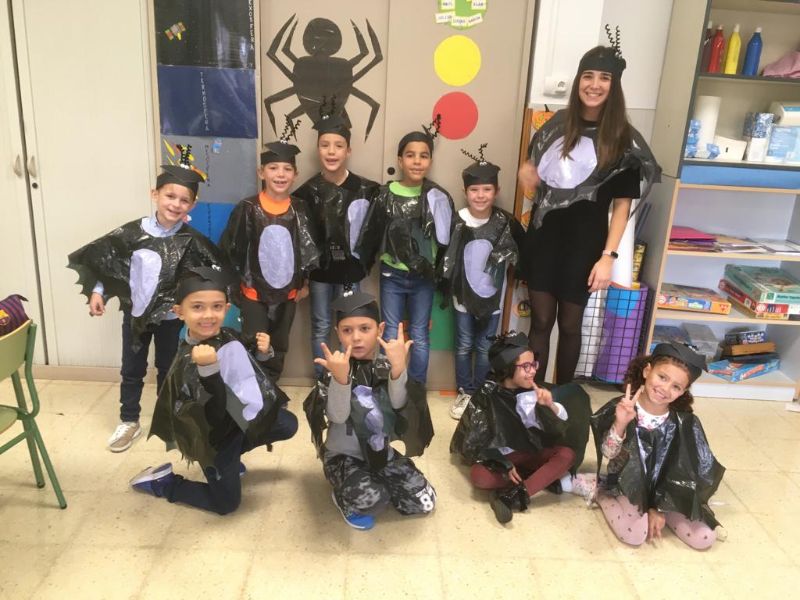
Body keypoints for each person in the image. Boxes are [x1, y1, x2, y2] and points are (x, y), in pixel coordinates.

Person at [517, 40, 660, 385]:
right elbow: (537, 182)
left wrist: (608, 257)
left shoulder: (623, 140)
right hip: (544, 238)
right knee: (540, 322)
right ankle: (532, 394)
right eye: (588, 76)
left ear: (614, 85)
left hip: (585, 246)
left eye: (604, 78)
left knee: (570, 325)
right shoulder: (556, 125)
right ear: (579, 80)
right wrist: (527, 175)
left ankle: (562, 396)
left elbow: (622, 206)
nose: (594, 85)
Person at [67, 148, 225, 452]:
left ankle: (169, 419)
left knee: (168, 369)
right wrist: (99, 292)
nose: (175, 204)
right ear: (155, 194)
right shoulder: (132, 233)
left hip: (170, 318)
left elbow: (211, 273)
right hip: (136, 315)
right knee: (132, 369)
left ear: (192, 204)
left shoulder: (191, 241)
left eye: (184, 200)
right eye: (170, 196)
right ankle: (129, 420)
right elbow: (110, 263)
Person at [130, 266, 297, 515]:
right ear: (179, 312)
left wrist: (264, 352)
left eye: (217, 307)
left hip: (237, 422)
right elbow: (213, 416)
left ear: (226, 309)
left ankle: (231, 459)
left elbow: (246, 368)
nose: (208, 315)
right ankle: (164, 483)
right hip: (215, 439)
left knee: (286, 424)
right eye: (197, 307)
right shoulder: (187, 361)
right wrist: (208, 371)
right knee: (226, 504)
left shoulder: (227, 334)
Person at [303, 291, 435, 530]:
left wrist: (398, 368)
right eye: (347, 330)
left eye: (365, 328)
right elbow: (337, 416)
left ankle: (378, 480)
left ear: (380, 330)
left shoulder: (385, 365)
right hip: (344, 457)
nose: (356, 338)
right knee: (373, 499)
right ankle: (343, 497)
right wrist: (340, 380)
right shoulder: (336, 368)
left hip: (379, 451)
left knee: (424, 501)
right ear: (338, 333)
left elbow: (400, 406)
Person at [590, 342, 725, 549]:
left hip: (666, 492)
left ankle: (658, 512)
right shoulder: (623, 407)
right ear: (647, 371)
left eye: (676, 387)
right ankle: (601, 493)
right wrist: (621, 423)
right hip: (628, 487)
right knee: (635, 534)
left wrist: (660, 508)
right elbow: (609, 454)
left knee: (705, 537)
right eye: (662, 377)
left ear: (683, 392)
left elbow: (687, 471)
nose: (665, 389)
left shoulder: (684, 422)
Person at [451, 331, 592, 524]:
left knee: (567, 455)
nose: (532, 371)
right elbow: (476, 442)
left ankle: (512, 496)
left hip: (532, 452)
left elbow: (561, 426)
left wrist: (550, 405)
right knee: (480, 476)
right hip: (506, 458)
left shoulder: (534, 391)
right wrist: (504, 464)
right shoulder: (487, 395)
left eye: (534, 364)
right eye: (526, 366)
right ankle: (538, 479)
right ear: (508, 368)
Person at [355, 117, 454, 383]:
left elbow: (447, 240)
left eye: (423, 156)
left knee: (419, 334)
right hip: (392, 275)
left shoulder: (438, 196)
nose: (417, 161)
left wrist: (442, 275)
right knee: (390, 333)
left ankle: (417, 388)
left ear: (430, 161)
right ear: (400, 160)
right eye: (410, 155)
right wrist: (361, 263)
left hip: (424, 278)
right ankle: (389, 385)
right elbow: (371, 232)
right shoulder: (386, 194)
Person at [219, 119, 320, 380]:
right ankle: (252, 392)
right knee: (254, 342)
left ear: (295, 174)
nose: (280, 174)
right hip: (253, 292)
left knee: (279, 344)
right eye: (273, 168)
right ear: (261, 172)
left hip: (288, 294)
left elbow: (307, 248)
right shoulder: (248, 208)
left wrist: (305, 283)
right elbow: (232, 249)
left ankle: (271, 389)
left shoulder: (300, 209)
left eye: (287, 169)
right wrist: (233, 288)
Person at [439, 143, 524, 419]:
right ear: (465, 191)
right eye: (474, 190)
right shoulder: (457, 220)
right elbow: (446, 257)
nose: (480, 195)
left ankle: (480, 393)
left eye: (487, 189)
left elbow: (520, 252)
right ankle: (465, 391)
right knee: (464, 344)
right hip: (462, 298)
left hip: (492, 298)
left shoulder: (505, 223)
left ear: (496, 191)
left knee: (485, 346)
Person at [293, 110, 380, 379]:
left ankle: (348, 378)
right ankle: (322, 380)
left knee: (351, 325)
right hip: (320, 275)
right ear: (318, 149)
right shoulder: (306, 193)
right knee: (320, 325)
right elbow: (302, 241)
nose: (331, 152)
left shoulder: (367, 190)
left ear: (348, 151)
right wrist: (303, 280)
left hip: (350, 274)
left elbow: (373, 234)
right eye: (325, 145)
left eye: (338, 146)